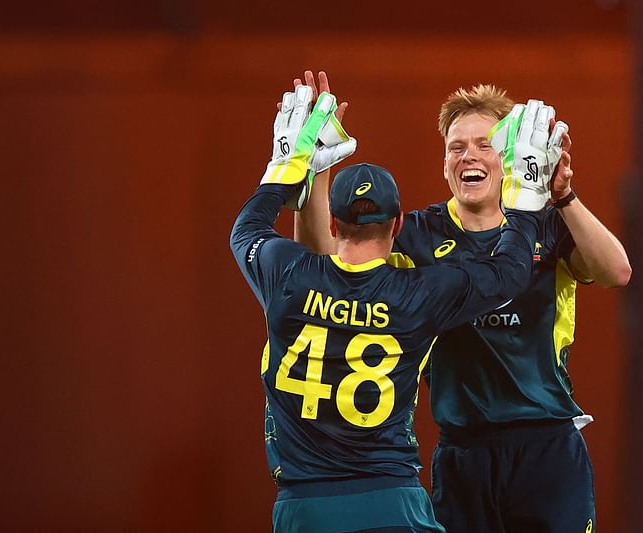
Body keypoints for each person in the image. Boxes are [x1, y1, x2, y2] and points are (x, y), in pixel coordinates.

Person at [295, 73, 632, 532]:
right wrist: (313, 172)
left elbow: (617, 272)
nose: (468, 155)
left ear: (509, 159)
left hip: (547, 447)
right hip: (462, 453)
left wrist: (563, 195)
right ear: (444, 162)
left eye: (484, 145)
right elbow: (322, 264)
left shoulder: (548, 225)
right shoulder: (415, 234)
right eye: (456, 147)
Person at [231, 83, 557, 533]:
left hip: (303, 505)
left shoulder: (286, 272)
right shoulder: (419, 293)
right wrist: (526, 200)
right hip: (392, 499)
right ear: (398, 224)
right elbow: (508, 273)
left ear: (332, 221)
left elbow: (246, 229)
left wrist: (287, 167)